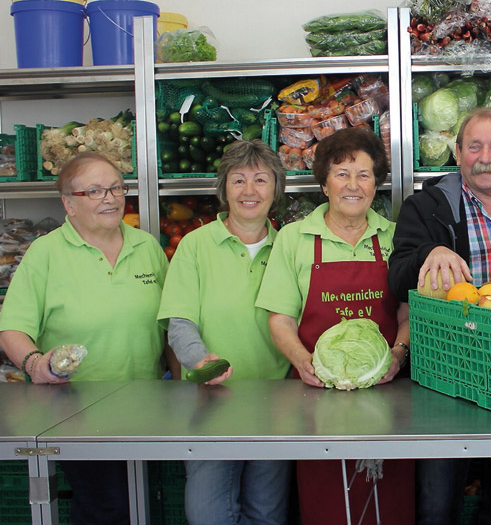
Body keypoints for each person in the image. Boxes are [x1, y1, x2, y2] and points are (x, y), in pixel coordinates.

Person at [389, 108, 491, 525]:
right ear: (458, 153)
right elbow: (396, 275)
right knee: (437, 503)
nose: (485, 156)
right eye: (474, 146)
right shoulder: (426, 206)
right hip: (448, 370)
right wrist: (429, 252)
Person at [0, 152, 171, 525]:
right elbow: (12, 327)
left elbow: (171, 325)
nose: (109, 198)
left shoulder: (147, 247)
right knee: (106, 507)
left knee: (145, 503)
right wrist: (35, 364)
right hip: (77, 410)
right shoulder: (45, 254)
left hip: (147, 406)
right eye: (94, 191)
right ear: (68, 203)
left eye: (115, 188)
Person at [256, 127, 411, 525]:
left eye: (364, 174)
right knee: (326, 499)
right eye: (342, 173)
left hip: (385, 394)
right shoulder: (294, 238)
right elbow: (280, 318)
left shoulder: (394, 238)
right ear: (324, 183)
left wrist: (397, 354)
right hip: (316, 398)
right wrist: (303, 361)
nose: (353, 185)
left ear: (377, 183)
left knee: (389, 500)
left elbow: (407, 313)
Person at [157, 140, 291, 525]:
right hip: (210, 403)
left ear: (276, 189)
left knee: (266, 512)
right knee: (206, 513)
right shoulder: (195, 246)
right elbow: (179, 323)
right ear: (224, 188)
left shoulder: (290, 247)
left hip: (276, 400)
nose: (250, 191)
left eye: (261, 180)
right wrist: (201, 360)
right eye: (238, 180)